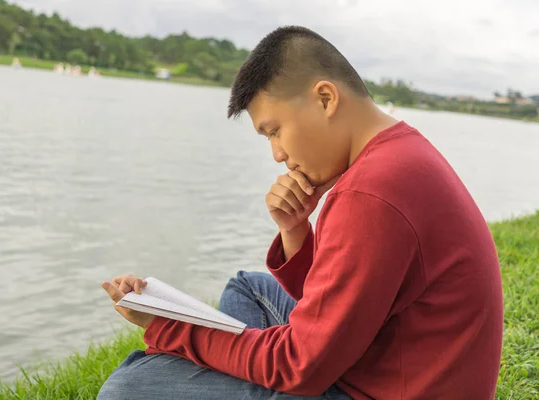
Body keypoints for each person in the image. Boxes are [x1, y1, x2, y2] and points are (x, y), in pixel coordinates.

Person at [98, 26, 503, 400]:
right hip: (389, 363)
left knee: (130, 386)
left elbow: (300, 365)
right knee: (248, 288)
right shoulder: (397, 154)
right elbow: (341, 306)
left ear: (325, 99)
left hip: (379, 390)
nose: (277, 154)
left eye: (274, 131)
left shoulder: (370, 192)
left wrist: (166, 327)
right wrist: (295, 230)